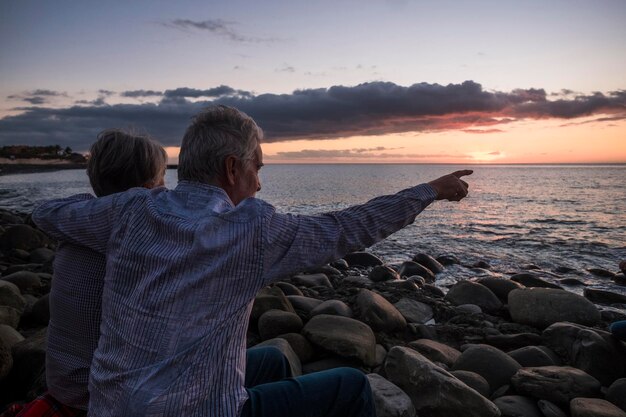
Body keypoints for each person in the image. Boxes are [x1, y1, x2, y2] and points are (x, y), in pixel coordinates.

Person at [32, 105, 471, 417]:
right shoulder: (253, 232)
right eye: (257, 168)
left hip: (110, 406)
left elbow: (45, 212)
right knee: (351, 386)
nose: (259, 184)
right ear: (231, 168)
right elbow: (347, 228)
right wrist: (428, 190)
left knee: (276, 359)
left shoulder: (127, 210)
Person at [14, 130, 168, 417]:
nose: (165, 189)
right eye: (161, 180)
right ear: (147, 187)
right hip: (102, 397)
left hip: (64, 383)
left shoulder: (76, 221)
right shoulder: (142, 238)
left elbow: (43, 211)